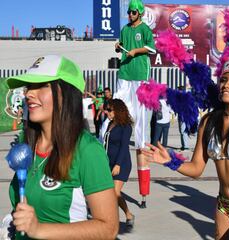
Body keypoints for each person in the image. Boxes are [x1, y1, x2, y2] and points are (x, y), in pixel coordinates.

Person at [142, 55, 229, 239]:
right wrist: (171, 162)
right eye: (223, 79)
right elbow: (196, 168)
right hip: (224, 206)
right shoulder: (208, 122)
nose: (226, 85)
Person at [7, 55, 118, 239]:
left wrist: (39, 229)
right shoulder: (26, 145)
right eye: (29, 87)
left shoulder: (87, 150)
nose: (28, 94)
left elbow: (108, 229)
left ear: (65, 93)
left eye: (41, 85)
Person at [114, 0, 156, 208]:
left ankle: (144, 193)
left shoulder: (145, 29)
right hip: (124, 74)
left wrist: (136, 51)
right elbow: (121, 45)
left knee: (141, 134)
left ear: (139, 13)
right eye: (128, 12)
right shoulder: (124, 29)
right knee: (117, 115)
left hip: (140, 76)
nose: (129, 15)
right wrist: (118, 47)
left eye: (132, 12)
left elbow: (151, 48)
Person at [103, 99, 135, 232]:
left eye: (109, 110)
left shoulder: (126, 126)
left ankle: (128, 214)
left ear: (117, 110)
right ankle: (109, 218)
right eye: (106, 109)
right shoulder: (110, 124)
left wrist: (117, 164)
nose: (107, 112)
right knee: (107, 192)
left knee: (115, 192)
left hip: (121, 163)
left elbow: (123, 147)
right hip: (108, 162)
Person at [177, 86, 190, 151]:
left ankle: (186, 146)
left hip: (184, 117)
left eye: (179, 90)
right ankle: (183, 145)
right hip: (181, 116)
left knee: (183, 131)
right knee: (181, 131)